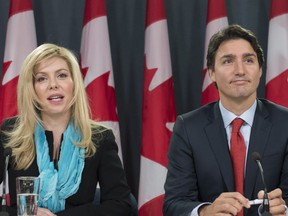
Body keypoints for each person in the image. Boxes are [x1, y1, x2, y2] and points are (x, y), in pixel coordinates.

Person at [163, 24, 288, 216]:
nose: (240, 70)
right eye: (228, 61)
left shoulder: (285, 123)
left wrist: (284, 210)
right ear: (212, 73)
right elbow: (174, 203)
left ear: (260, 70)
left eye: (248, 60)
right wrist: (205, 212)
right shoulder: (189, 127)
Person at [0, 43, 132, 216]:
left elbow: (121, 205)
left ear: (74, 84)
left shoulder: (99, 138)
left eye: (62, 75)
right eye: (42, 78)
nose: (53, 85)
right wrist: (20, 213)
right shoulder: (11, 132)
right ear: (31, 89)